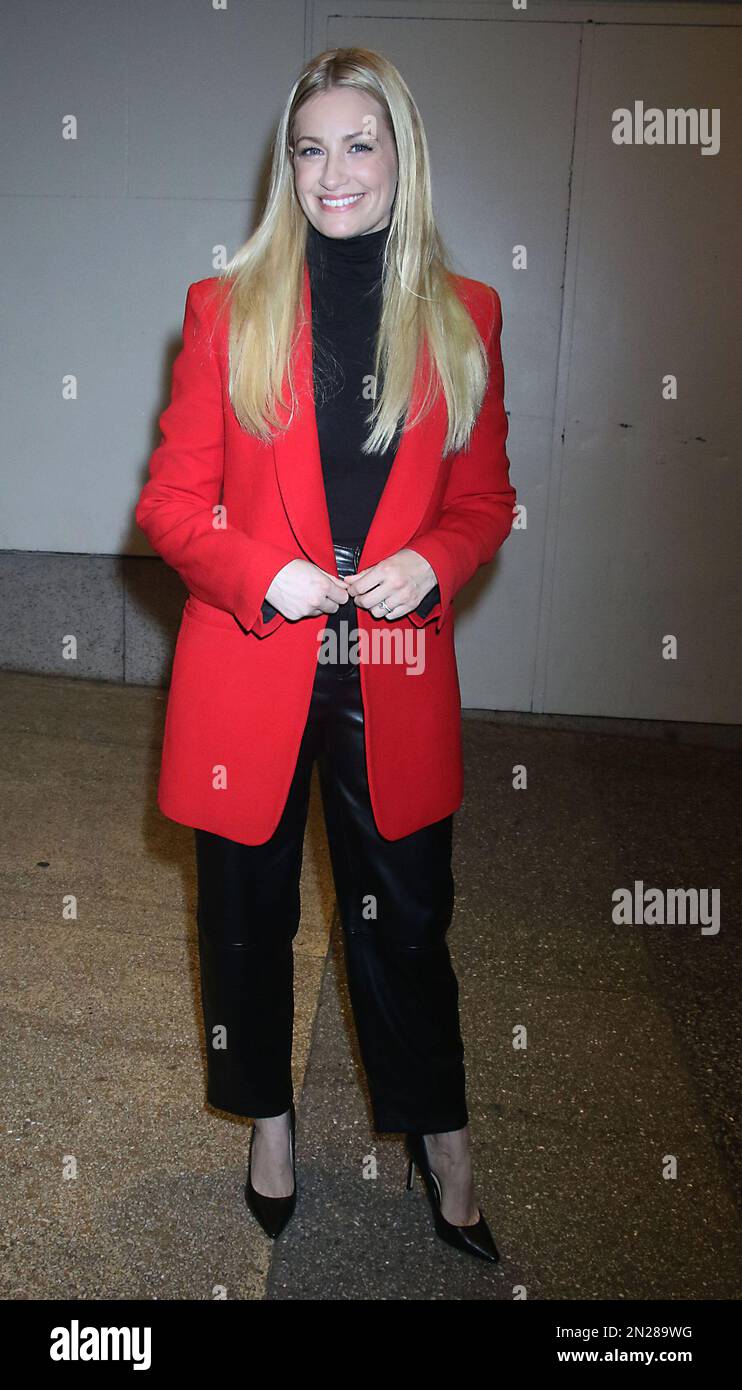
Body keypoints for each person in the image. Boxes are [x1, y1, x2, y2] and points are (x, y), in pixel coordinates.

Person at [135, 46, 516, 1266]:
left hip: (393, 670)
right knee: (244, 919)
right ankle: (271, 1125)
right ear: (285, 166)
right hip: (253, 663)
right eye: (311, 147)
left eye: (359, 143)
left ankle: (443, 1142)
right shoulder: (223, 310)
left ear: (401, 157)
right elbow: (171, 507)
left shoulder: (465, 317)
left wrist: (437, 562)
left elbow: (486, 499)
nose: (333, 170)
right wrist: (266, 574)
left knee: (405, 921)